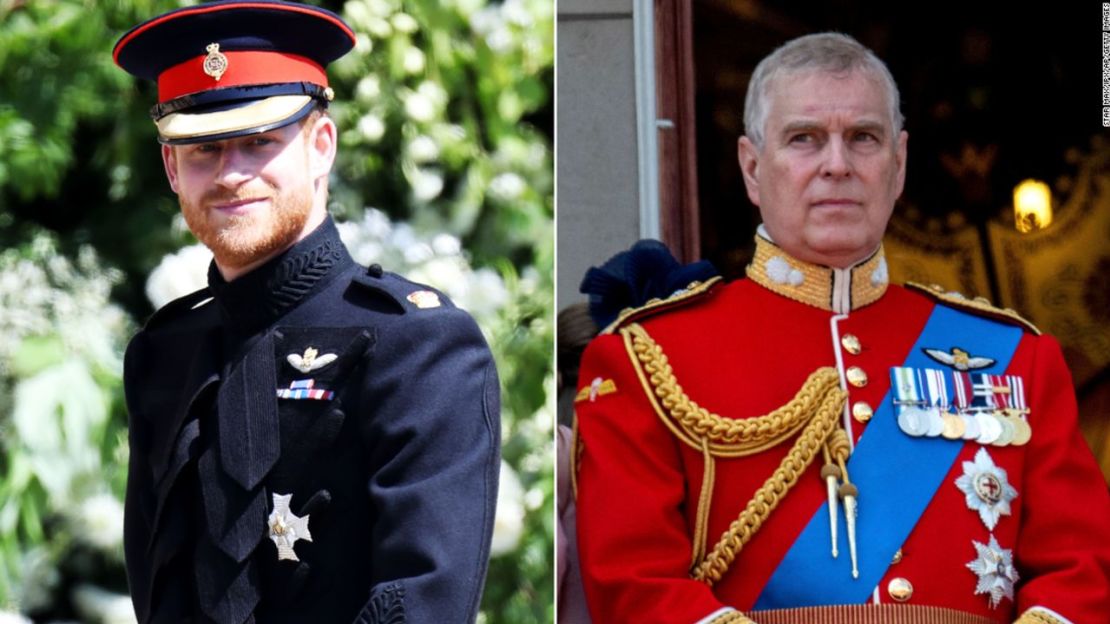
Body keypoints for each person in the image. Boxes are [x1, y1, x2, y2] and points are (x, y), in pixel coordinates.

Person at [571, 32, 1110, 624]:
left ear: (898, 165)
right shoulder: (647, 359)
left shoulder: (1013, 357)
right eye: (804, 139)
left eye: (863, 138)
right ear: (753, 168)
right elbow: (635, 584)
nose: (837, 164)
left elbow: (1081, 568)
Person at [113, 2, 500, 622]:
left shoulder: (418, 345)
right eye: (202, 150)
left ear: (321, 145)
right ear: (171, 168)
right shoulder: (165, 353)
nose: (230, 174)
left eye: (259, 142)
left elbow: (423, 602)